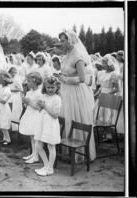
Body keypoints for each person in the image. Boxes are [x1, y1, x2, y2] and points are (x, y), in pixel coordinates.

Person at [55, 30, 96, 162]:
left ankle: (78, 153)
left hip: (76, 92)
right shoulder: (66, 55)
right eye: (61, 40)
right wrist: (60, 77)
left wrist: (65, 79)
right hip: (66, 91)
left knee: (75, 117)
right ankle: (66, 150)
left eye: (63, 40)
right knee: (66, 117)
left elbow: (82, 78)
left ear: (70, 40)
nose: (61, 43)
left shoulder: (78, 56)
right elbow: (66, 73)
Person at [34, 77, 62, 176]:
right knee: (38, 145)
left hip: (51, 124)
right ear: (45, 87)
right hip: (42, 123)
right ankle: (46, 165)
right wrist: (39, 107)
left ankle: (50, 168)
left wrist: (44, 106)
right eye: (48, 87)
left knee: (51, 145)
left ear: (57, 87)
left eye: (52, 87)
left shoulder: (57, 99)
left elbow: (55, 115)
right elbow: (40, 109)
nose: (50, 89)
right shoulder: (44, 96)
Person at [19, 72, 43, 163]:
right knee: (31, 136)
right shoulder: (29, 92)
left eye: (29, 81)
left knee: (35, 136)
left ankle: (36, 156)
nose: (27, 83)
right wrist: (25, 102)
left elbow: (39, 108)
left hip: (36, 115)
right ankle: (33, 154)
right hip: (29, 114)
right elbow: (26, 106)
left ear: (35, 82)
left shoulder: (40, 93)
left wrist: (29, 102)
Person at [0, 70, 13, 145]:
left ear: (3, 80)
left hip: (4, 109)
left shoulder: (7, 90)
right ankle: (5, 138)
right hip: (0, 108)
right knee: (1, 124)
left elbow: (4, 101)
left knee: (4, 125)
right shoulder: (1, 87)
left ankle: (8, 139)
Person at [8, 67, 23, 131]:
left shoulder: (17, 79)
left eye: (14, 73)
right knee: (9, 110)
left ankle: (15, 127)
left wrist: (10, 90)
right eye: (12, 73)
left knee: (15, 110)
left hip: (16, 97)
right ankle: (9, 125)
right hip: (9, 96)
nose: (13, 74)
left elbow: (20, 89)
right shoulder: (8, 79)